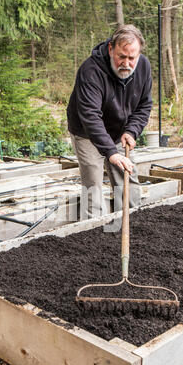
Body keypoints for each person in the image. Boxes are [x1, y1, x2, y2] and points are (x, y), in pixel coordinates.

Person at [67, 24, 152, 219]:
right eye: (121, 56)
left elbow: (144, 105)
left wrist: (131, 131)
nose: (127, 63)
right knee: (93, 187)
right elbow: (89, 115)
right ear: (110, 48)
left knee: (128, 180)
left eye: (132, 58)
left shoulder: (143, 67)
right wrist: (111, 153)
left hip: (119, 131)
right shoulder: (91, 71)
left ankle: (131, 224)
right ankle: (92, 233)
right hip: (87, 131)